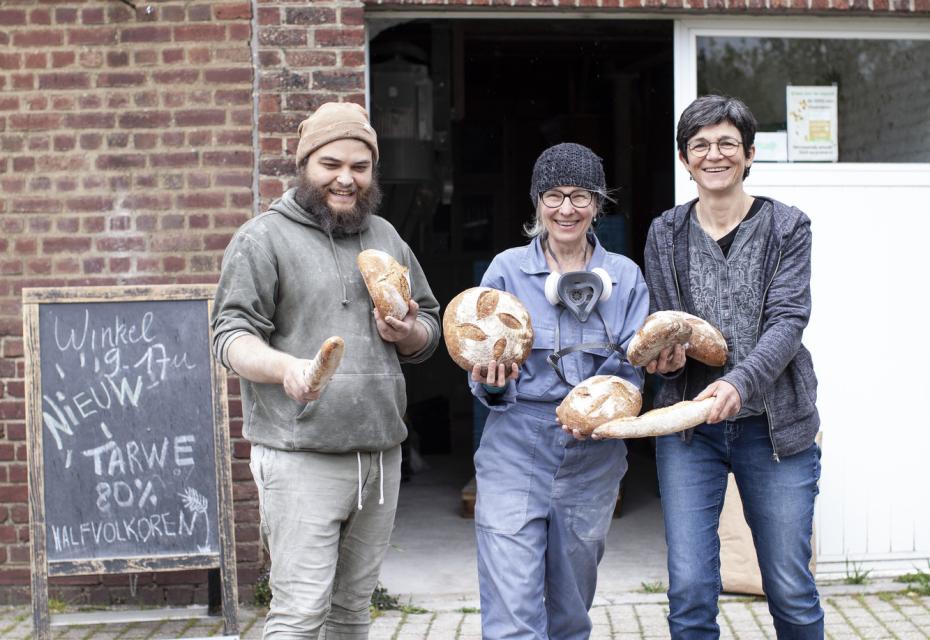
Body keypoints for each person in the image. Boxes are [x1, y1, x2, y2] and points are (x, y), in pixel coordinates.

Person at [211, 102, 440, 639]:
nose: (346, 178)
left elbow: (428, 324)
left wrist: (408, 333)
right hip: (301, 457)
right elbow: (230, 336)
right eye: (331, 164)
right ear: (304, 164)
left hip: (380, 456)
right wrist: (287, 368)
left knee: (351, 614)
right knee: (300, 615)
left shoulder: (386, 237)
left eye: (360, 167)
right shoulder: (262, 238)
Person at [643, 95, 823, 639]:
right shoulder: (664, 233)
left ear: (748, 153)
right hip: (688, 431)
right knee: (691, 590)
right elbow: (667, 323)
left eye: (726, 143)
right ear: (684, 159)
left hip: (775, 430)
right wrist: (669, 364)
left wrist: (738, 385)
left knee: (789, 586)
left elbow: (788, 321)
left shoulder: (788, 227)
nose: (713, 154)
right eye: (700, 144)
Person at [469, 143, 649, 639]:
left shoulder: (626, 278)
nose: (566, 209)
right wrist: (491, 383)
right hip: (515, 447)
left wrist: (619, 395)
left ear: (598, 202)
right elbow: (477, 361)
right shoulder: (505, 271)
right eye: (553, 195)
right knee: (512, 614)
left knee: (570, 612)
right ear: (536, 201)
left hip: (593, 455)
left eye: (580, 196)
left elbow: (632, 374)